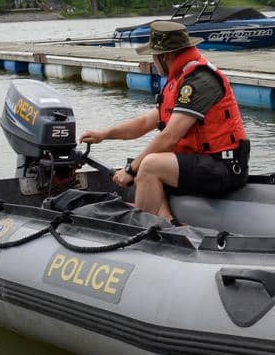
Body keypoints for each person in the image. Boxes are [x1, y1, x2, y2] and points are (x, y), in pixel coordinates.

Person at [79, 20, 250, 223]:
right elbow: (144, 123)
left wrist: (131, 169)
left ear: (165, 56)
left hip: (224, 166)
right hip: (203, 163)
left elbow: (169, 137)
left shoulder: (199, 82)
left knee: (150, 165)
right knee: (147, 165)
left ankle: (142, 228)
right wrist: (104, 135)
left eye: (153, 56)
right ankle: (169, 225)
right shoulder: (178, 80)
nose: (152, 60)